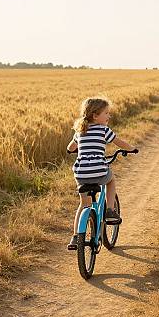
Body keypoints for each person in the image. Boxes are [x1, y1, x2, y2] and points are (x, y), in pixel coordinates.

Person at [66, 97, 136, 250]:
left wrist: (76, 149)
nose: (109, 116)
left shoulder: (79, 131)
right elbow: (120, 143)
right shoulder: (103, 130)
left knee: (84, 204)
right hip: (99, 170)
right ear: (95, 116)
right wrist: (132, 148)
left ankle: (75, 237)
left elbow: (70, 148)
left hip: (81, 174)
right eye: (106, 113)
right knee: (111, 180)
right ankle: (110, 210)